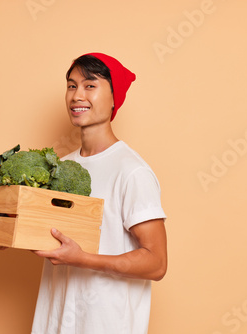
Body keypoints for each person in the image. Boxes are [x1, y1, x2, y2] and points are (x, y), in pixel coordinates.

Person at [30, 53, 168, 334]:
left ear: (115, 98)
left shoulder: (131, 171)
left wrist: (82, 259)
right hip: (55, 320)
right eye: (71, 85)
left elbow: (157, 263)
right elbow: (52, 236)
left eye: (90, 85)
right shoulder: (62, 167)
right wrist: (2, 234)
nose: (77, 95)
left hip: (104, 324)